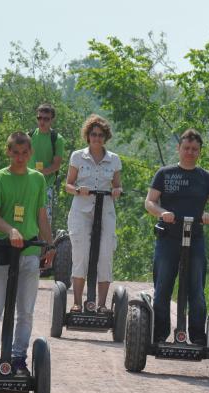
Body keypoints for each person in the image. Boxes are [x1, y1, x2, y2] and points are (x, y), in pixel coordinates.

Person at [0, 132, 56, 376]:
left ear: (30, 153)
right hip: (2, 249)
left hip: (30, 250)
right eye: (15, 152)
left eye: (24, 153)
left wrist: (50, 246)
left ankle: (19, 358)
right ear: (8, 152)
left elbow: (41, 215)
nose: (20, 157)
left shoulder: (37, 180)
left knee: (26, 309)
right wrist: (11, 230)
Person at [145, 128, 209, 345]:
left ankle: (198, 337)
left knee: (196, 291)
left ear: (199, 152)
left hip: (195, 237)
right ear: (178, 149)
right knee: (162, 288)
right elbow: (150, 202)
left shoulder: (205, 177)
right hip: (168, 237)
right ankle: (159, 334)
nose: (190, 152)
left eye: (194, 149)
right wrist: (163, 213)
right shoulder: (165, 173)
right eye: (186, 148)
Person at [65, 114, 122, 313]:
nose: (97, 138)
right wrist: (78, 190)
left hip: (105, 209)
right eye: (93, 134)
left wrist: (117, 191)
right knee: (81, 254)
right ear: (88, 136)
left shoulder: (114, 159)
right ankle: (78, 302)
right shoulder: (77, 156)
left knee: (105, 254)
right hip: (82, 209)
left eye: (100, 135)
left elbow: (117, 186)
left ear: (105, 137)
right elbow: (68, 185)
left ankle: (102, 305)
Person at [28, 103, 65, 224]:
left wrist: (40, 173)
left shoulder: (57, 139)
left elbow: (56, 165)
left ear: (52, 120)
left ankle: (43, 243)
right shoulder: (29, 136)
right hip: (27, 183)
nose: (42, 121)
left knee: (44, 221)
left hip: (46, 186)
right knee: (26, 219)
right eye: (39, 118)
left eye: (46, 119)